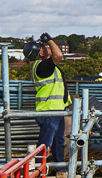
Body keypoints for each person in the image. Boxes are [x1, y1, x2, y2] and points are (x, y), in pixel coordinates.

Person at [24, 33, 71, 166]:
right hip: (49, 110)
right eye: (43, 47)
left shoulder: (47, 67)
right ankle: (39, 173)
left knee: (58, 143)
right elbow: (59, 55)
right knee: (45, 144)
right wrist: (49, 40)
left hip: (57, 110)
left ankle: (60, 170)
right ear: (40, 53)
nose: (46, 47)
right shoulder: (42, 67)